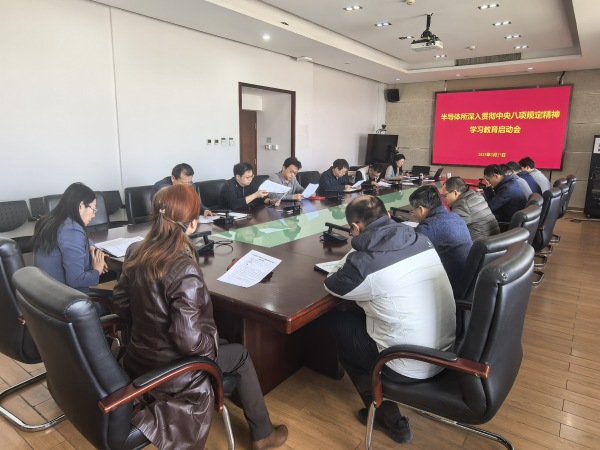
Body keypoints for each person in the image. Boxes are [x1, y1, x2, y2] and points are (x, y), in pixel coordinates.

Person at [112, 184, 288, 450]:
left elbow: (121, 305)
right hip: (175, 372)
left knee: (224, 343)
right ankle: (263, 435)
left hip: (138, 361)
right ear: (192, 224)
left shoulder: (136, 251)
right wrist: (213, 342)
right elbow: (189, 342)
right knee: (240, 354)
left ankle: (254, 418)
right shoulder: (183, 267)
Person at [325, 196, 455, 445]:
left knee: (339, 323)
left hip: (407, 364)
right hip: (447, 352)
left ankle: (388, 417)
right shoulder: (420, 238)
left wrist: (355, 250)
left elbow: (332, 284)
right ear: (387, 215)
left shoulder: (363, 262)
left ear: (355, 227)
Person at [32, 183, 110, 315]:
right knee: (121, 299)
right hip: (68, 303)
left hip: (45, 298)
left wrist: (92, 247)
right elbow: (76, 280)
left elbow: (80, 240)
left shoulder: (47, 222)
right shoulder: (72, 229)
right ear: (81, 206)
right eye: (93, 209)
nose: (93, 215)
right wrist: (97, 270)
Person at [410, 185, 473, 291]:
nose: (414, 215)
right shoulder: (456, 217)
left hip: (453, 288)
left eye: (413, 211)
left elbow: (410, 254)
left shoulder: (428, 227)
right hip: (470, 282)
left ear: (421, 209)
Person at [442, 177, 500, 241]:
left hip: (481, 244)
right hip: (493, 241)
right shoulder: (476, 195)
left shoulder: (461, 205)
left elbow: (450, 231)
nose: (445, 200)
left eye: (445, 196)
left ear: (455, 193)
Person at [151, 163, 216, 217]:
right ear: (173, 178)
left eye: (189, 182)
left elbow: (196, 202)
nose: (187, 186)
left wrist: (205, 210)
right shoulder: (159, 188)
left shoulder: (191, 185)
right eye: (184, 183)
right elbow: (158, 210)